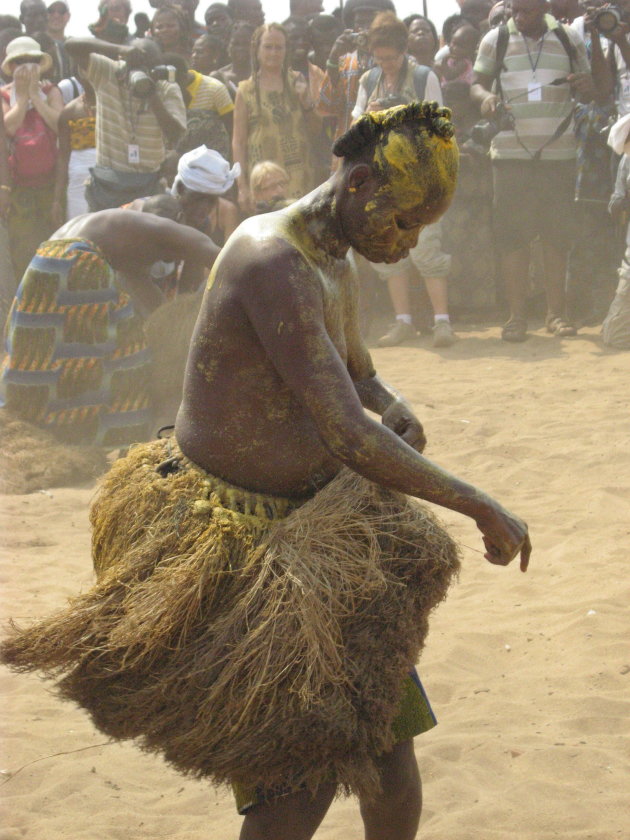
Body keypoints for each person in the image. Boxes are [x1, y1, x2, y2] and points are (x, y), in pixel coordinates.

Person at [0, 103, 531, 840]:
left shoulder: (333, 256)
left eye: (419, 229)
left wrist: (390, 397)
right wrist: (477, 503)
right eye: (403, 221)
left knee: (391, 764)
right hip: (245, 545)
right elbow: (347, 432)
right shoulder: (271, 259)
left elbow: (354, 376)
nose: (406, 242)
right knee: (296, 791)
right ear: (360, 181)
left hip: (321, 529)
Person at [0, 208, 219, 447]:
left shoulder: (125, 237)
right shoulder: (168, 230)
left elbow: (154, 308)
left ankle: (45, 422)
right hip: (78, 263)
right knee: (126, 359)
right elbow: (228, 262)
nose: (167, 262)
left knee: (42, 350)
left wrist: (174, 335)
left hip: (43, 264)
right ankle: (112, 439)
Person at [470, 0, 595, 341]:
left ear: (544, 5)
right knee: (514, 238)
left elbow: (591, 87)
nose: (520, 16)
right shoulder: (495, 39)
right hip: (509, 155)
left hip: (559, 153)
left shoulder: (568, 37)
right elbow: (476, 83)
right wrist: (485, 98)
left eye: (528, 9)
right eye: (515, 9)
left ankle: (556, 315)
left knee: (556, 237)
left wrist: (585, 86)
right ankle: (516, 318)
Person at [351, 12, 457, 349]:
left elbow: (440, 126)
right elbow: (356, 128)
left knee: (426, 248)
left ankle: (442, 322)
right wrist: (370, 113)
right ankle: (403, 322)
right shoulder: (369, 80)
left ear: (403, 50)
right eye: (380, 59)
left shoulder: (425, 76)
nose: (386, 65)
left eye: (391, 58)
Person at [65, 35, 186, 209]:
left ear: (159, 65)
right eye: (138, 63)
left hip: (148, 182)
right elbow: (71, 45)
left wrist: (150, 94)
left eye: (149, 64)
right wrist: (119, 49)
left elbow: (175, 135)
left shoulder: (167, 86)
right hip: (108, 183)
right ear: (123, 60)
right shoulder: (108, 72)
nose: (144, 69)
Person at [232, 23, 319, 212]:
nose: (273, 53)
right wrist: (242, 187)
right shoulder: (246, 90)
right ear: (257, 50)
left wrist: (306, 102)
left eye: (279, 47)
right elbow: (238, 142)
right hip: (263, 181)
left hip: (298, 177)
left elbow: (316, 130)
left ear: (286, 50)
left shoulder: (298, 81)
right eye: (268, 47)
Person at [1, 36, 63, 281]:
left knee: (53, 246)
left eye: (32, 60)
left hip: (50, 184)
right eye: (21, 61)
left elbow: (60, 125)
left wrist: (37, 97)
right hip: (19, 188)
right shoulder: (4, 95)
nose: (27, 66)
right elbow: (8, 127)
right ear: (11, 67)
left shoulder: (51, 90)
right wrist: (23, 96)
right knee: (23, 250)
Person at [318, 0, 395, 152]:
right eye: (359, 22)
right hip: (351, 150)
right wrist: (333, 58)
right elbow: (327, 106)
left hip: (388, 147)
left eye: (371, 22)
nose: (364, 28)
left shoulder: (398, 61)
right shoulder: (343, 61)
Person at [52, 75, 96, 224]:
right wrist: (57, 200)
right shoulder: (69, 111)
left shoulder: (115, 106)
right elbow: (63, 156)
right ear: (78, 76)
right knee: (79, 229)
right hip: (78, 183)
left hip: (111, 180)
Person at [211, 20, 255, 100]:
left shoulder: (263, 76)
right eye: (236, 44)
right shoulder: (218, 78)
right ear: (228, 45)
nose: (241, 48)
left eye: (246, 43)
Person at [46, 1, 73, 84]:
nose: (56, 15)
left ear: (68, 16)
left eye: (61, 11)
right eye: (51, 11)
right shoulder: (36, 44)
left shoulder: (75, 46)